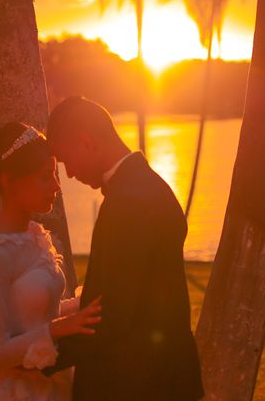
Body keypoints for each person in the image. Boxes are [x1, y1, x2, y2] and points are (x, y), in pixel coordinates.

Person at [44, 96, 204, 401]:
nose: (70, 174)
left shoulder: (128, 202)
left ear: (86, 142)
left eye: (66, 161)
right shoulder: (148, 186)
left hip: (138, 383)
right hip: (161, 377)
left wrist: (37, 356)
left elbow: (114, 313)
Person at [0, 122, 101, 401]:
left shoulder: (36, 236)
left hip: (56, 384)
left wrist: (83, 304)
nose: (56, 186)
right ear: (8, 180)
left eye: (55, 174)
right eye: (45, 177)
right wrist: (60, 328)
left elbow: (35, 313)